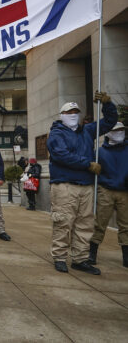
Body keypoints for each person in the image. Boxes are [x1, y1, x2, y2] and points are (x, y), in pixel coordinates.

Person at [47, 95, 117, 275]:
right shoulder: (56, 134)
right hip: (65, 185)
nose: (73, 115)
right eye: (69, 112)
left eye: (76, 112)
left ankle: (80, 258)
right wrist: (87, 164)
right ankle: (60, 257)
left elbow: (110, 122)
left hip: (86, 185)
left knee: (85, 224)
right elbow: (61, 155)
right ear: (62, 115)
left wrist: (107, 104)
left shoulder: (87, 131)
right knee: (63, 222)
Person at [88, 122, 127, 268]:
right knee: (100, 223)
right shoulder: (100, 152)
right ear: (109, 133)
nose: (120, 132)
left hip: (124, 191)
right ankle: (92, 253)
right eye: (116, 130)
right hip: (106, 190)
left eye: (122, 130)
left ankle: (126, 256)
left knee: (126, 224)